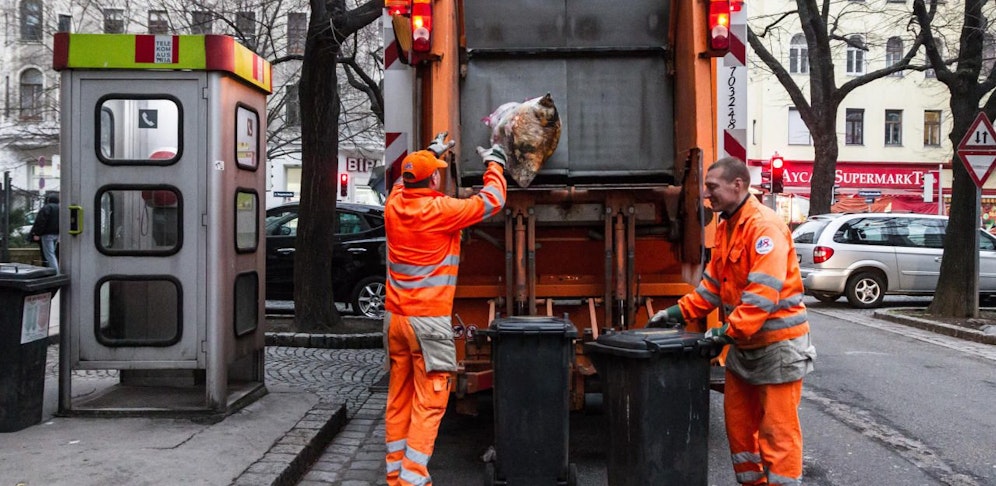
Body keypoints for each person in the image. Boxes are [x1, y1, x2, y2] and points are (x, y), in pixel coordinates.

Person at [649, 157, 816, 485]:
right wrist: (676, 313)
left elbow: (761, 296)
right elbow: (713, 287)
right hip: (744, 347)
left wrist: (726, 332)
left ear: (738, 185)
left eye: (712, 188)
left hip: (778, 349)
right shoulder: (727, 227)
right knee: (740, 431)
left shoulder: (764, 227)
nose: (707, 195)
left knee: (777, 434)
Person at [382, 132, 507, 486]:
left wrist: (432, 152)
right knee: (430, 400)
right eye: (436, 170)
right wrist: (495, 162)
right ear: (432, 179)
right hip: (428, 324)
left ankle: (396, 475)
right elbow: (493, 200)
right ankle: (413, 479)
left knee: (400, 397)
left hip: (396, 321)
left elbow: (398, 181)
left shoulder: (394, 204)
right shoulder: (439, 211)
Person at [29, 194, 60, 273]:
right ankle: (54, 270)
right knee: (53, 253)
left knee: (49, 254)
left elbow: (40, 221)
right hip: (57, 234)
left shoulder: (47, 208)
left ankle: (55, 272)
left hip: (47, 234)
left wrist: (37, 233)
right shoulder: (60, 208)